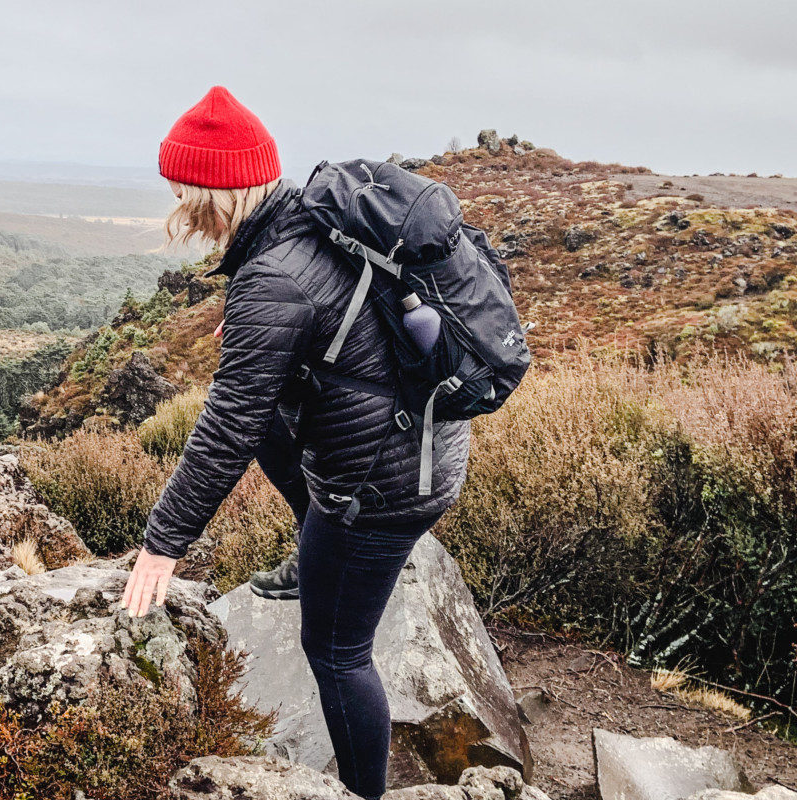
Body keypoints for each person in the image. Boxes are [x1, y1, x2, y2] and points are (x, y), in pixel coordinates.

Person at [119, 86, 473, 800]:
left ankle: (362, 794)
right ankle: (313, 542)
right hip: (422, 439)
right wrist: (273, 351)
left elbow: (226, 426)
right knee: (272, 425)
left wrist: (162, 543)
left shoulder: (272, 276)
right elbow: (336, 321)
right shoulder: (308, 217)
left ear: (214, 192)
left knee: (336, 652)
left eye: (184, 190)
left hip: (386, 484)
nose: (179, 208)